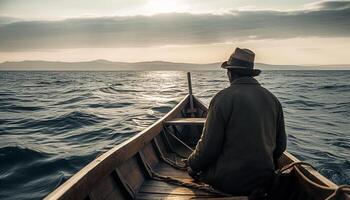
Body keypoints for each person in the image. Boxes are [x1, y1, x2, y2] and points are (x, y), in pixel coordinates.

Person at [185, 47, 287, 195]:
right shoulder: (273, 100)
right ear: (251, 74)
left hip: (229, 183)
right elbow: (281, 145)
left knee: (196, 170)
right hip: (264, 181)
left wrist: (192, 164)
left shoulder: (222, 99)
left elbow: (209, 149)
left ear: (230, 73)